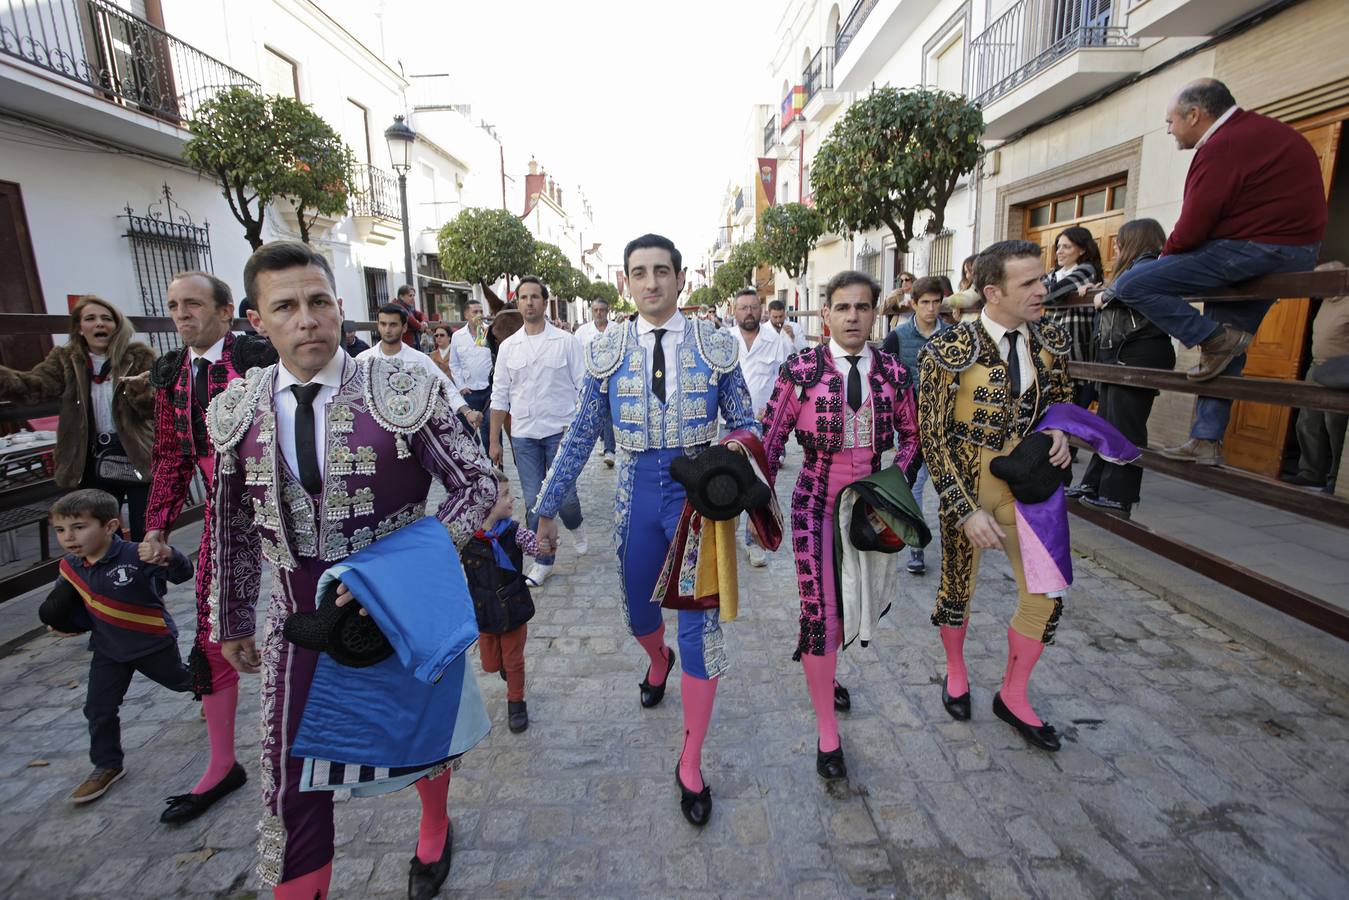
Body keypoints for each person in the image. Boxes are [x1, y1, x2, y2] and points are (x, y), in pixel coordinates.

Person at [209, 240, 498, 899]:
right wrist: (231, 618)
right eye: (286, 307)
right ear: (257, 321)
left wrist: (399, 580)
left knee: (421, 733)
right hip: (295, 617)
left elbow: (476, 484)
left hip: (397, 607)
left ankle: (433, 825)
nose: (306, 319)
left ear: (340, 307)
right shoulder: (238, 408)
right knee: (289, 776)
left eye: (318, 302)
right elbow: (230, 527)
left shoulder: (401, 390)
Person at [533, 234, 758, 827]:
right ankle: (656, 660)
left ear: (681, 278)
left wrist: (732, 460)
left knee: (700, 627)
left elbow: (746, 422)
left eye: (662, 271)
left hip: (696, 498)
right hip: (636, 492)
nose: (651, 282)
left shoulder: (715, 345)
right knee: (639, 614)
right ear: (626, 282)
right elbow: (581, 432)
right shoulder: (606, 349)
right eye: (639, 272)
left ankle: (691, 761)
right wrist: (547, 505)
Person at [1114, 78, 1327, 465]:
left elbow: (1193, 225)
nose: (1169, 129)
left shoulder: (1222, 144)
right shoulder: (1265, 133)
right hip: (1289, 252)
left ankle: (1213, 339)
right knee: (1227, 349)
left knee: (1132, 284)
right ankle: (1206, 439)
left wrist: (1163, 264)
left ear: (1195, 115)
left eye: (1171, 121)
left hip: (1255, 249)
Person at [761, 270, 919, 779]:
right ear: (826, 313)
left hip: (871, 509)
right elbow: (770, 441)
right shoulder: (801, 369)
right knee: (821, 613)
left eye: (863, 307)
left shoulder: (893, 372)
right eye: (843, 307)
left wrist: (893, 488)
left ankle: (826, 675)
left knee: (853, 606)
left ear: (875, 314)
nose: (853, 316)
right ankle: (827, 734)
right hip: (815, 505)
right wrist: (751, 499)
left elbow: (913, 438)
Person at [918, 240, 1074, 752]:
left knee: (1046, 594)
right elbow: (932, 438)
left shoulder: (1051, 338)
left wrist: (1060, 432)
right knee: (957, 589)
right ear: (993, 292)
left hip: (1030, 484)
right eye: (1028, 283)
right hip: (970, 483)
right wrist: (963, 509)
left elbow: (1063, 400)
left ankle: (1013, 694)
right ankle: (956, 670)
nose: (1041, 289)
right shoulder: (948, 349)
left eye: (1041, 278)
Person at [142, 270, 273, 824]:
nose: (181, 314)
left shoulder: (259, 356)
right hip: (223, 514)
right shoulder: (172, 373)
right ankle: (222, 763)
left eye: (192, 304)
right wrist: (157, 524)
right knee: (213, 626)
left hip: (285, 501)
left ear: (224, 311)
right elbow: (171, 455)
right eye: (174, 305)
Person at [46, 489, 194, 804]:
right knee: (98, 708)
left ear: (110, 526)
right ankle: (107, 765)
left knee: (182, 681)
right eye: (60, 530)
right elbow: (67, 604)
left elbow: (183, 574)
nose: (69, 537)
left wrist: (168, 554)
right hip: (108, 649)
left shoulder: (135, 555)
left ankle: (210, 689)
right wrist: (62, 623)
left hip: (150, 641)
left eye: (79, 527)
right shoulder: (70, 567)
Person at [0, 296, 156, 538]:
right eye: (90, 318)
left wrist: (141, 392)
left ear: (117, 326)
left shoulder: (138, 357)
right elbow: (33, 388)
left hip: (138, 456)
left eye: (107, 318)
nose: (99, 323)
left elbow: (156, 408)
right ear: (79, 328)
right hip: (89, 459)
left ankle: (146, 563)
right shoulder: (65, 360)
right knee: (99, 537)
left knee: (147, 534)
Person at [1069, 219, 1175, 514]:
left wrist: (1105, 294)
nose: (1115, 249)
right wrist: (1102, 289)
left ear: (1134, 242)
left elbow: (1125, 290)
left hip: (1136, 353)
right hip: (1118, 353)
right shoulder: (1132, 271)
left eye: (1119, 244)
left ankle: (1118, 495)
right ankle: (1094, 484)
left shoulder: (1149, 266)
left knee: (1126, 426)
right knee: (1107, 422)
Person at [488, 276, 587, 587]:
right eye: (523, 297)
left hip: (560, 431)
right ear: (517, 303)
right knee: (534, 501)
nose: (529, 302)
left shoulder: (566, 342)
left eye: (534, 297)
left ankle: (575, 525)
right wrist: (494, 440)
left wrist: (579, 431)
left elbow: (583, 387)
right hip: (524, 434)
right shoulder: (508, 347)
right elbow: (499, 395)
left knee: (565, 498)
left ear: (545, 302)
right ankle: (543, 560)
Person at [881, 276, 950, 574]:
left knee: (948, 484)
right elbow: (883, 375)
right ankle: (916, 544)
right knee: (916, 483)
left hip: (946, 423)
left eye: (936, 302)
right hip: (912, 424)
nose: (931, 308)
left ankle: (954, 546)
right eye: (925, 302)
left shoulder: (952, 335)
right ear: (913, 304)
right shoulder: (897, 336)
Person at [466, 470, 540, 733]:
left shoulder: (514, 531)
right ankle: (505, 669)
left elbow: (534, 545)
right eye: (505, 494)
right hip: (484, 611)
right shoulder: (466, 537)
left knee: (514, 660)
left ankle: (516, 702)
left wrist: (544, 543)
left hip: (513, 607)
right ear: (485, 502)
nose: (512, 499)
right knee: (490, 664)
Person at [729, 288, 790, 567]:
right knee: (728, 481)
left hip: (762, 424)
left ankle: (753, 541)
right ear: (734, 311)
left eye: (753, 307)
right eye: (743, 307)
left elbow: (785, 380)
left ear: (761, 310)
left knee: (757, 483)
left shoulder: (776, 341)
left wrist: (773, 408)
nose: (749, 312)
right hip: (729, 425)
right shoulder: (725, 340)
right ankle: (725, 537)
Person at [1284, 261, 1348, 490]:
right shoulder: (1324, 302)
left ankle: (1335, 478)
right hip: (1316, 367)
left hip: (1340, 372)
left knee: (1335, 426)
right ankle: (1310, 473)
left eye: (1319, 280)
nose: (1315, 285)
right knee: (1306, 422)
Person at [1043, 226, 1104, 408]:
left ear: (1082, 249)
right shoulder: (1052, 275)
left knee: (1073, 412)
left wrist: (1050, 293)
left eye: (1067, 247)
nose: (1059, 252)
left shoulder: (1086, 270)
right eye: (1058, 247)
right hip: (1051, 355)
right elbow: (1036, 295)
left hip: (1077, 356)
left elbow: (1049, 295)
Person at [573, 297, 617, 467]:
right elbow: (576, 357)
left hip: (611, 378)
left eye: (602, 310)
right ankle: (604, 440)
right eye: (596, 310)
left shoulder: (616, 330)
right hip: (591, 379)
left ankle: (610, 450)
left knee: (608, 413)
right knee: (597, 413)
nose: (599, 313)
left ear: (607, 311)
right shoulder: (582, 332)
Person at [450, 299, 494, 451]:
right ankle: (475, 461)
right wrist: (461, 386)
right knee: (469, 432)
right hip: (469, 390)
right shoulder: (457, 336)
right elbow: (454, 364)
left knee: (490, 430)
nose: (479, 314)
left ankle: (495, 461)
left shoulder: (489, 331)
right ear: (466, 315)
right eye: (475, 312)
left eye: (481, 311)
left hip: (489, 390)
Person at [392, 284, 427, 349]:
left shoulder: (409, 307)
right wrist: (420, 326)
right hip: (403, 343)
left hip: (410, 342)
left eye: (414, 295)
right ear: (401, 297)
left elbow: (421, 314)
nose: (413, 298)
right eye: (410, 295)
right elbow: (410, 319)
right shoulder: (398, 306)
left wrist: (424, 322)